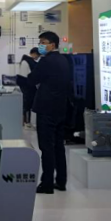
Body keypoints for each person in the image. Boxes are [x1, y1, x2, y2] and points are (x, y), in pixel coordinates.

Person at [28, 31, 71, 194]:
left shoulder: (46, 61)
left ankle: (46, 184)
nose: (40, 45)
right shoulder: (64, 60)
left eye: (43, 42)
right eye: (40, 42)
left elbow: (32, 79)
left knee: (46, 147)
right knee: (59, 146)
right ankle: (61, 181)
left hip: (46, 109)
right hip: (60, 108)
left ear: (52, 45)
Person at [16, 48, 40, 127]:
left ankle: (25, 122)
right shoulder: (28, 62)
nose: (38, 57)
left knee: (26, 105)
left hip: (25, 85)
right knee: (27, 105)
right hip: (27, 86)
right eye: (38, 55)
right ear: (34, 53)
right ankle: (26, 122)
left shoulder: (26, 61)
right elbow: (28, 75)